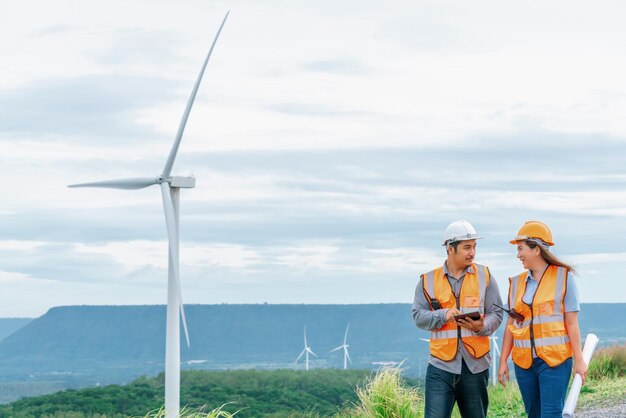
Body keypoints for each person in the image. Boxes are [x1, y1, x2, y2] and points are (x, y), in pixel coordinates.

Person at [412, 220, 503, 418]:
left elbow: (496, 313)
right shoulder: (427, 281)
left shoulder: (484, 275)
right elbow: (418, 317)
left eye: (474, 247)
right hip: (440, 366)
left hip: (475, 365)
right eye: (467, 247)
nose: (472, 252)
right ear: (450, 249)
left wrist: (482, 326)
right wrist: (443, 314)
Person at [498, 221, 587, 418]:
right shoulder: (515, 284)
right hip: (524, 363)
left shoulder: (564, 278)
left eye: (521, 249)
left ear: (536, 249)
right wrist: (503, 360)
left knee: (551, 413)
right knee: (533, 413)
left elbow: (572, 323)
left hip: (555, 361)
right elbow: (510, 326)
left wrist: (579, 360)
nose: (518, 255)